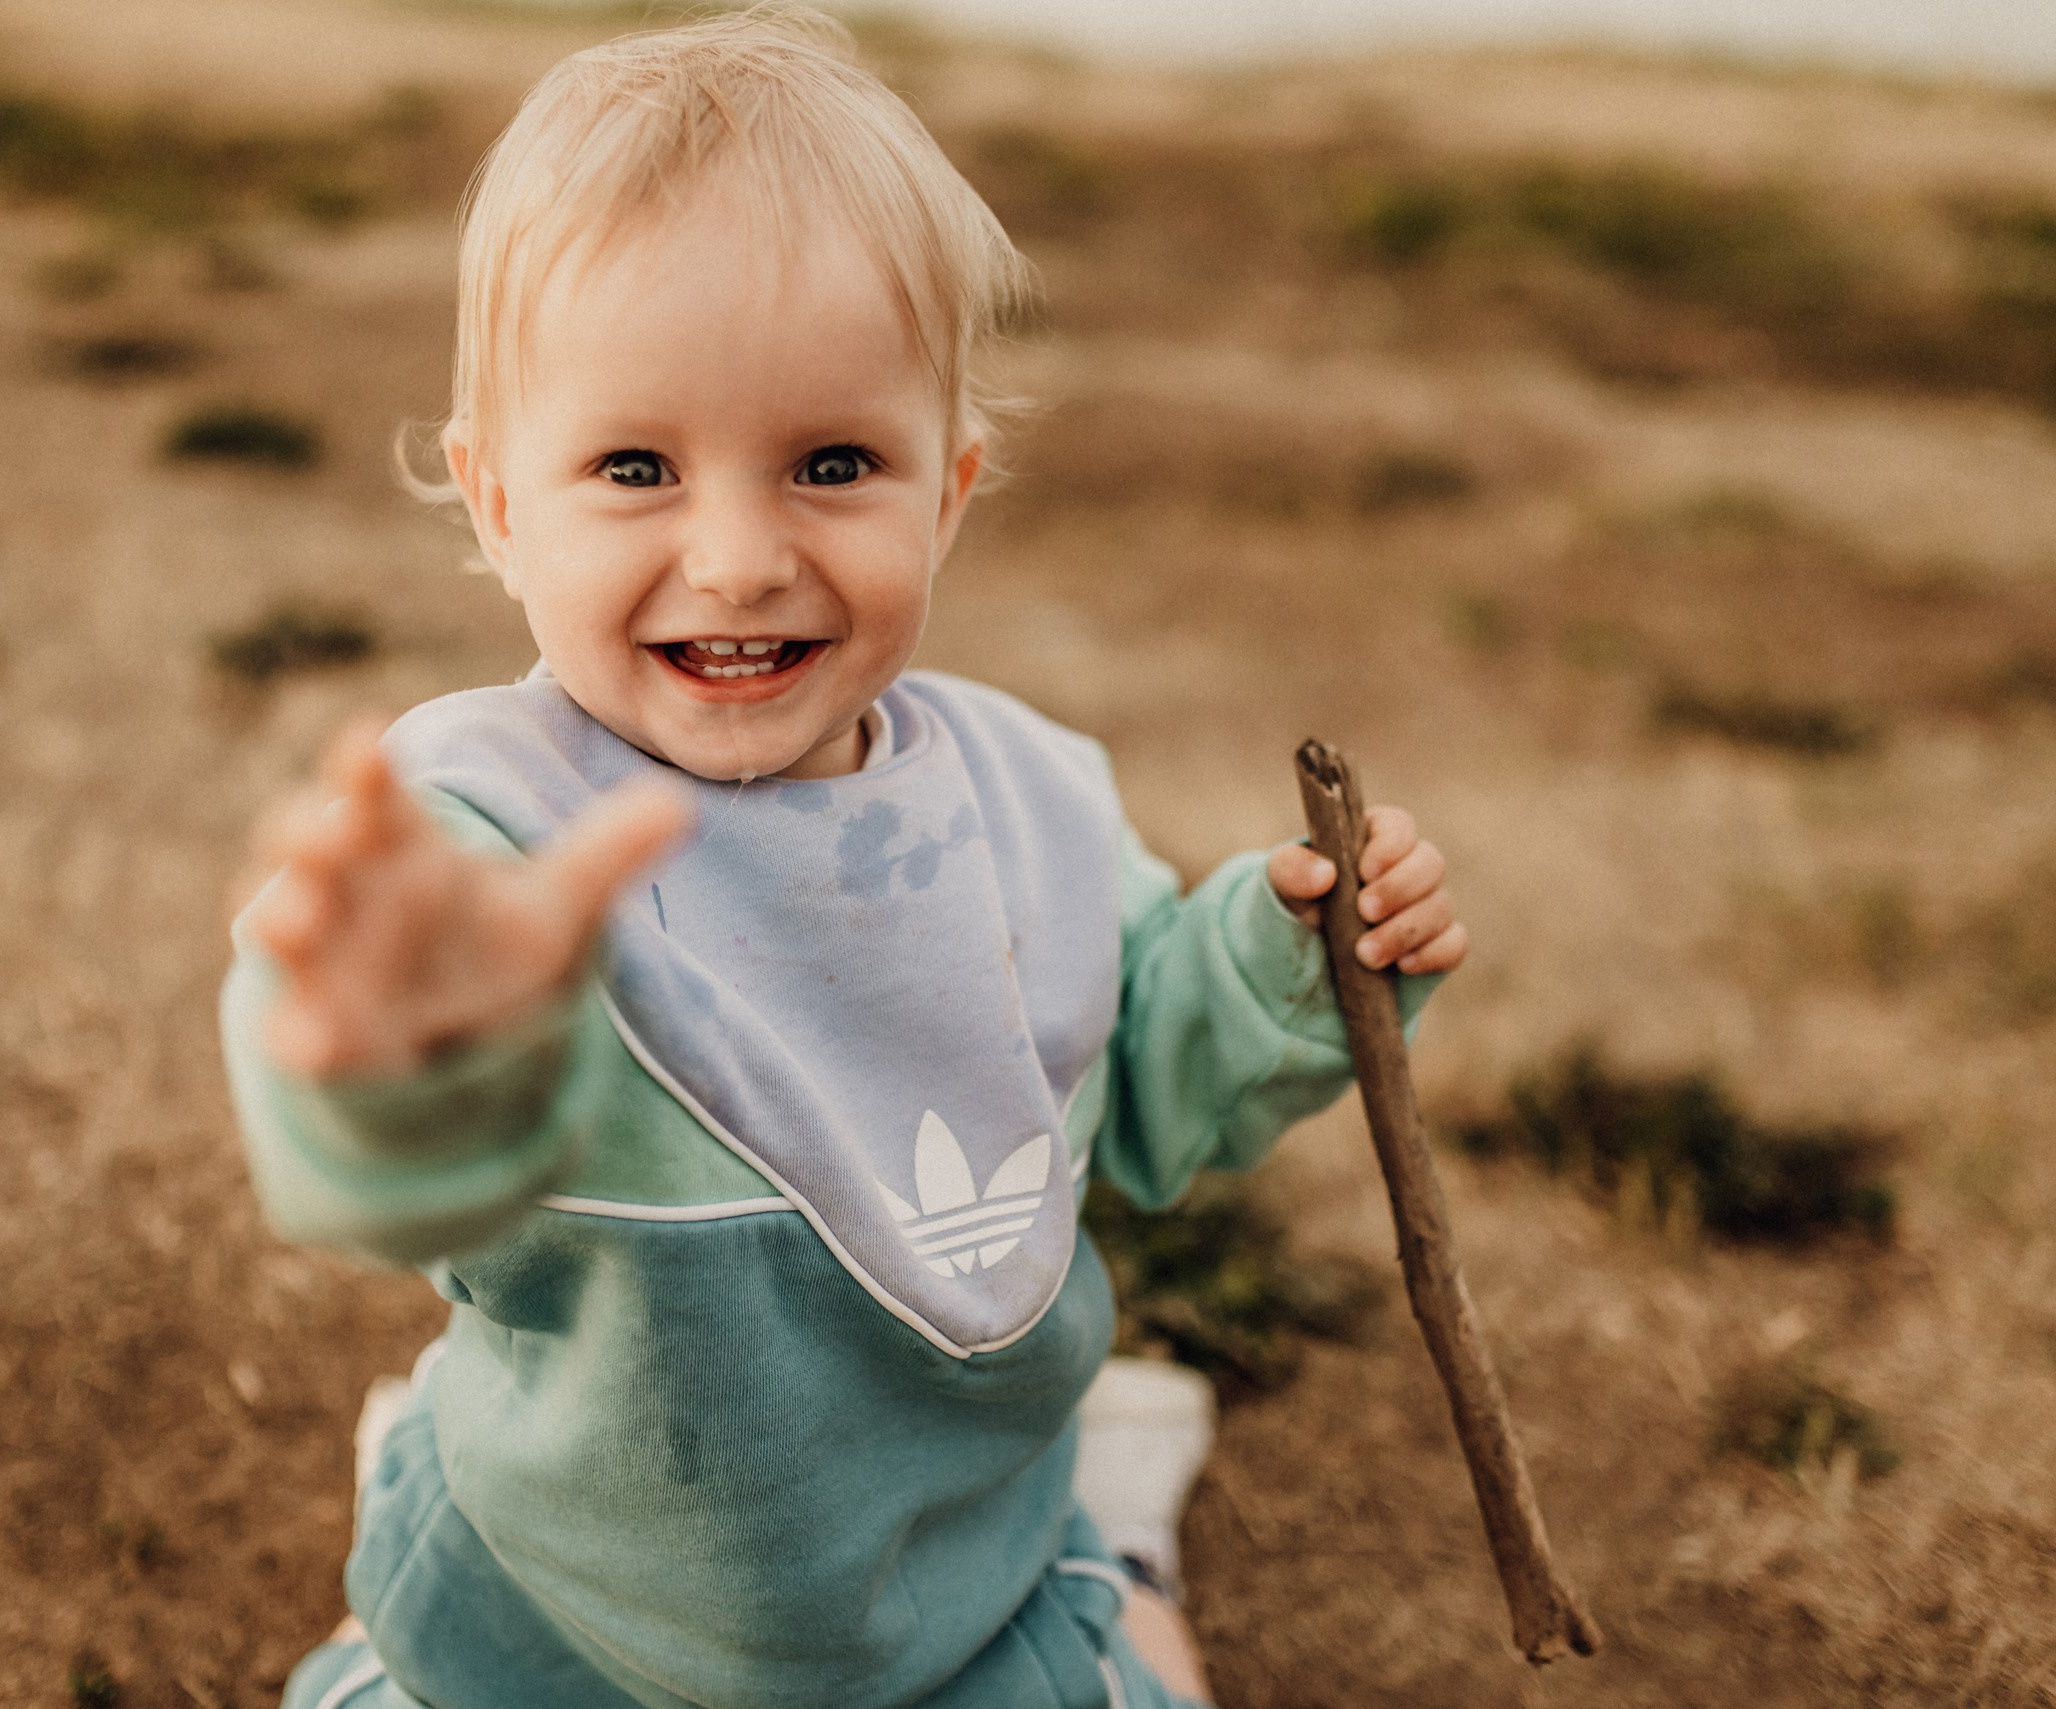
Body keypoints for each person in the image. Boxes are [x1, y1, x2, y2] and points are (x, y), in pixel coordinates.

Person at [219, 11, 1468, 1707]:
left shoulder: (1031, 805)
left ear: (947, 490)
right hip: (547, 1623)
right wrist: (395, 1055)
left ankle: (1116, 1573)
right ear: (499, 499)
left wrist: (1286, 964)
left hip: (947, 1591)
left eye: (832, 464)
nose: (737, 558)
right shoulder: (483, 835)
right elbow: (375, 1162)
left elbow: (1154, 1091)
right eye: (635, 467)